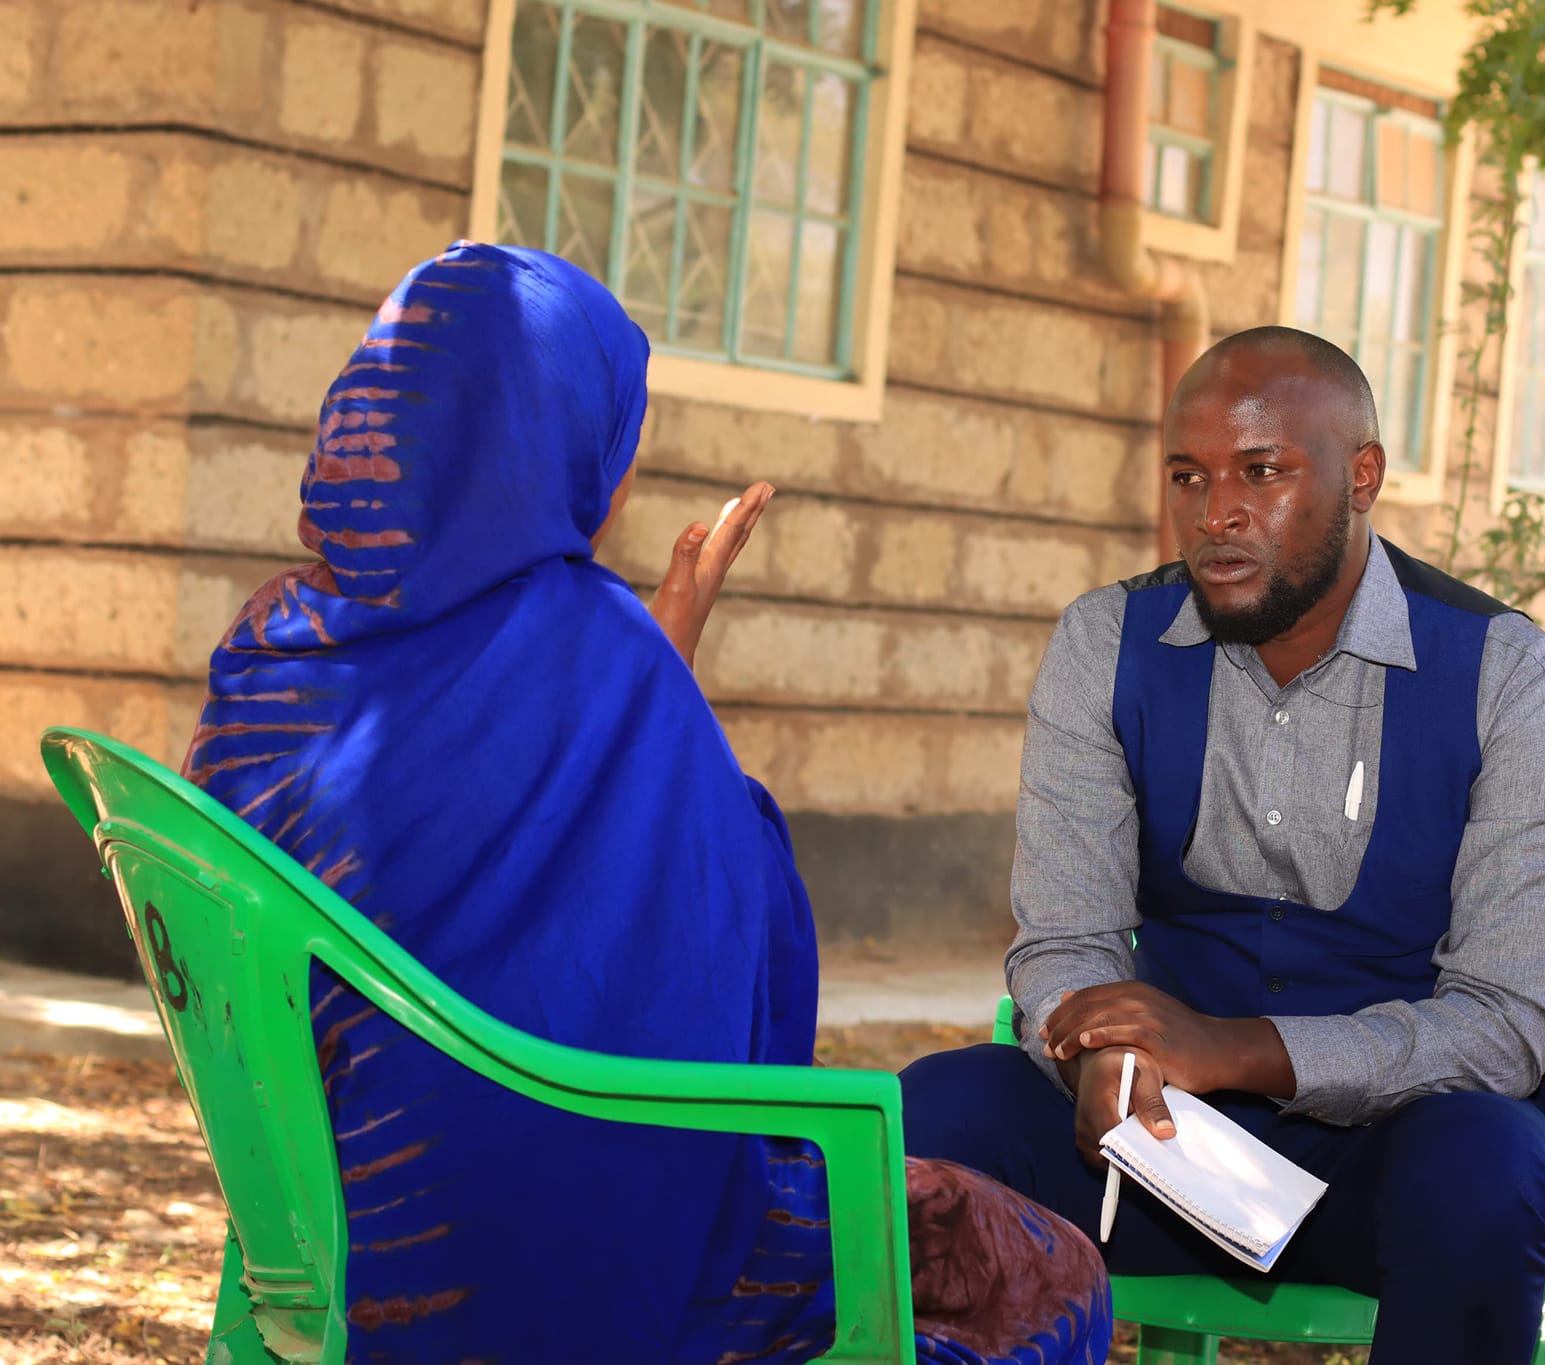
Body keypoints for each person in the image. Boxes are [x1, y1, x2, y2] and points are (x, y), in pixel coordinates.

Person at [183, 242, 1111, 1365]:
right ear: (556, 443)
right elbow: (721, 963)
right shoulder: (594, 655)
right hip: (545, 1251)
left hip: (329, 1208)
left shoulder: (270, 644)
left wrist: (649, 685)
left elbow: (468, 860)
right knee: (1036, 1266)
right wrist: (653, 683)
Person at [899, 326, 1545, 1364]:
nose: (1213, 513)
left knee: (1488, 1170)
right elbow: (1064, 938)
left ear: (1360, 478)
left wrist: (1233, 1050)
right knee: (935, 1115)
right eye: (1187, 476)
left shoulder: (1507, 676)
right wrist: (1099, 1048)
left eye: (1260, 472)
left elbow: (1500, 1028)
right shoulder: (1105, 644)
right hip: (1149, 1146)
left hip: (1388, 1162)